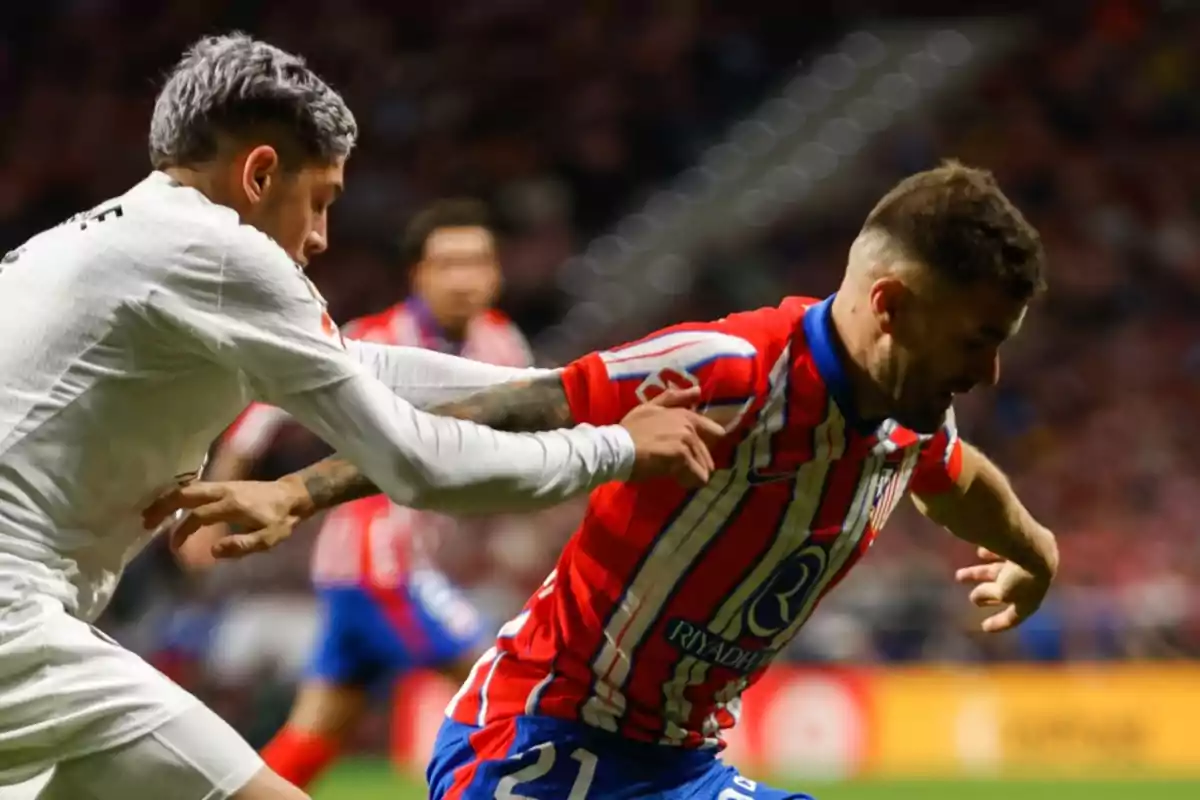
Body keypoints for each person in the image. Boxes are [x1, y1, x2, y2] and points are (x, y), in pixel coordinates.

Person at [167, 161, 1061, 799]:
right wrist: (295, 491)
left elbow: (957, 476)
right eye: (975, 340)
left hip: (679, 769)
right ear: (892, 307)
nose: (986, 375)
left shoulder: (912, 413)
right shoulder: (729, 368)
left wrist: (1036, 548)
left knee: (316, 733)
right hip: (539, 744)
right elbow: (513, 409)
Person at [0, 33, 723, 800]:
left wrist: (575, 390)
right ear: (260, 173)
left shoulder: (102, 242)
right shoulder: (218, 254)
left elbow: (362, 366)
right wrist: (613, 447)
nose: (318, 238)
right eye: (320, 201)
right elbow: (415, 463)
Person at [185, 198, 538, 789]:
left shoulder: (503, 345)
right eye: (446, 263)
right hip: (379, 565)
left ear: (497, 272)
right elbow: (264, 412)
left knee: (318, 730)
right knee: (505, 692)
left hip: (388, 567)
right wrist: (213, 509)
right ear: (417, 275)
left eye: (477, 261)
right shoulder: (373, 339)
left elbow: (532, 432)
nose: (463, 277)